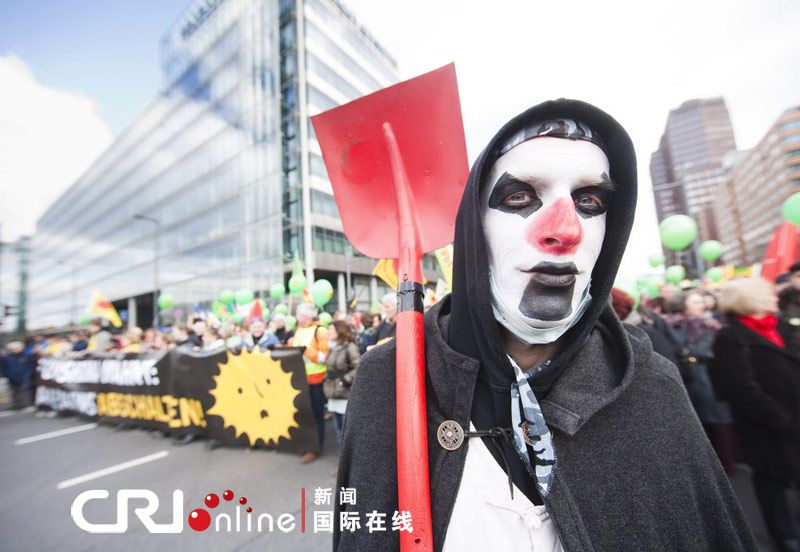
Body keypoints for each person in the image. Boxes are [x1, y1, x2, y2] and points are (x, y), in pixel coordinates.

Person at [335, 100, 756, 551]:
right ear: (475, 230)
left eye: (589, 200)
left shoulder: (651, 387)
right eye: (520, 196)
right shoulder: (390, 377)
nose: (563, 229)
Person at [710, 278, 800, 552]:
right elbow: (741, 386)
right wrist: (778, 418)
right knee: (771, 478)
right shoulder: (730, 336)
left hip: (793, 414)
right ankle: (783, 535)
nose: (776, 297)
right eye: (769, 294)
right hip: (765, 423)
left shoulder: (781, 326)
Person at [667, 290, 736, 473]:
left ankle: (725, 462)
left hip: (709, 374)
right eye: (695, 301)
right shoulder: (671, 324)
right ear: (683, 304)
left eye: (701, 301)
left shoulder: (713, 324)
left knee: (718, 417)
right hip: (686, 375)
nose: (700, 305)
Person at [289, 303, 329, 463]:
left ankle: (316, 448)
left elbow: (323, 357)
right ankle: (307, 445)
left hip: (316, 380)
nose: (296, 317)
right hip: (300, 379)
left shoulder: (321, 331)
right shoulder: (298, 330)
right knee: (304, 414)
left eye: (298, 314)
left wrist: (305, 350)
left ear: (307, 316)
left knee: (316, 415)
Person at [323, 320, 361, 446]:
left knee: (348, 432)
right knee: (338, 430)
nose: (328, 333)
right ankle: (341, 463)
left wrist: (344, 380)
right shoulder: (332, 347)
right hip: (333, 394)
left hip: (346, 394)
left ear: (339, 331)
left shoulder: (350, 347)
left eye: (331, 330)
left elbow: (359, 367)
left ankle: (350, 463)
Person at [1, 341, 36, 409]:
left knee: (25, 390)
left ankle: (27, 404)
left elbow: (31, 365)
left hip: (25, 376)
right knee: (14, 391)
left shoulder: (27, 355)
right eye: (13, 349)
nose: (15, 350)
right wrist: (6, 375)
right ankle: (16, 404)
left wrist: (29, 373)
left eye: (16, 348)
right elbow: (3, 367)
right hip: (12, 377)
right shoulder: (6, 357)